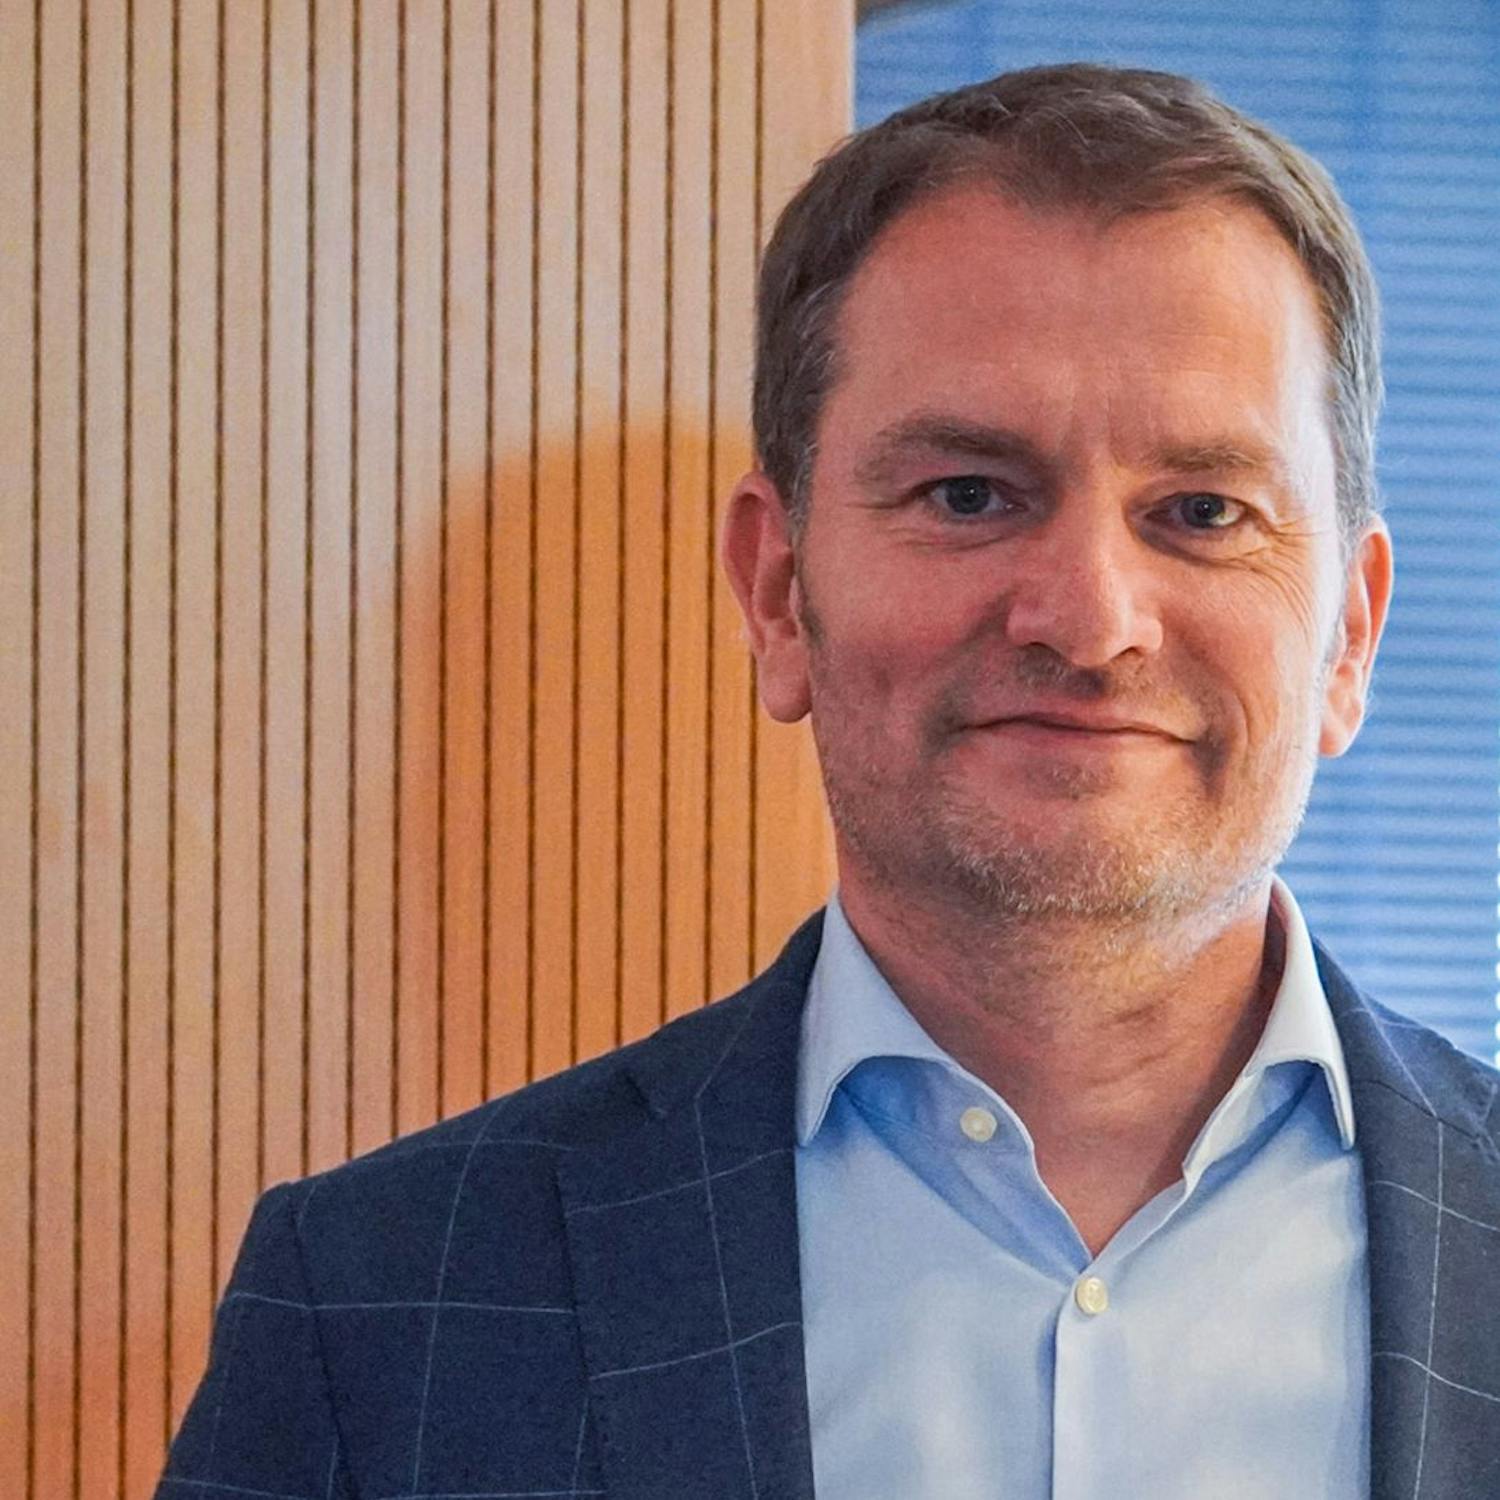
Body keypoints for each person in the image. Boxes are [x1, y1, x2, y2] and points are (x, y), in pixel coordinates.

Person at [156, 63, 1500, 1500]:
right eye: (968, 494)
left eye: (1203, 511)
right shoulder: (374, 1308)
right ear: (778, 591)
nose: (1089, 618)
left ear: (1349, 635)